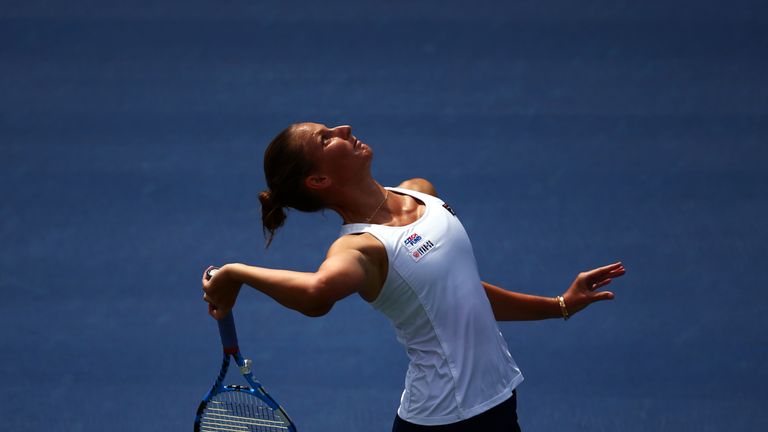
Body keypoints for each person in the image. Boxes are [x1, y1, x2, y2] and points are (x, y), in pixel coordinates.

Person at [202, 122, 626, 431]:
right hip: (447, 419)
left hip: (495, 400)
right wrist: (237, 273)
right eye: (326, 138)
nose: (344, 128)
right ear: (319, 179)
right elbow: (317, 294)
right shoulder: (361, 249)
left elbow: (462, 295)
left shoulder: (420, 191)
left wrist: (560, 305)